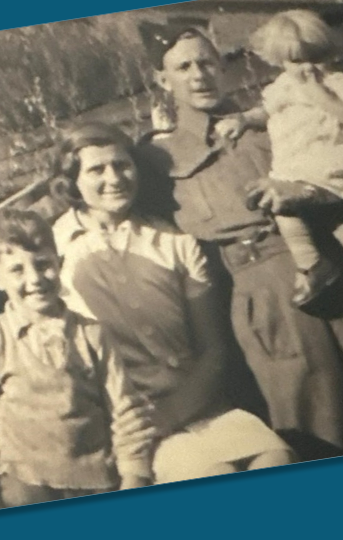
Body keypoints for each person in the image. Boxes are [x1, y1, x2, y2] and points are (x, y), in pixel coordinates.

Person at [136, 20, 343, 457]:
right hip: (258, 301)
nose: (199, 75)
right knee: (312, 429)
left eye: (208, 62)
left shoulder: (275, 115)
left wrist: (306, 191)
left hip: (328, 264)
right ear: (162, 79)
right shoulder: (155, 157)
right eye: (184, 66)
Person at [52, 122, 294, 484]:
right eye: (97, 170)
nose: (114, 178)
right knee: (214, 476)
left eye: (122, 164)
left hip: (201, 404)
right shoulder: (54, 250)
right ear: (72, 181)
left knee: (279, 461)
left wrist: (172, 413)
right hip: (130, 420)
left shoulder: (173, 241)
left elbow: (213, 350)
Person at [0, 208, 155, 507]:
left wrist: (133, 475)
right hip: (24, 483)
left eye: (43, 264)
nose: (35, 278)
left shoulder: (91, 334)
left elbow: (125, 411)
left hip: (94, 479)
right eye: (17, 270)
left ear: (59, 263)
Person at [215, 10, 343, 307]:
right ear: (280, 62)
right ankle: (312, 266)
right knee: (284, 212)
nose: (308, 69)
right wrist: (244, 119)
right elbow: (267, 111)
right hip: (290, 169)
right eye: (296, 62)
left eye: (316, 58)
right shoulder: (282, 87)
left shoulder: (335, 83)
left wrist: (317, 92)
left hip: (327, 165)